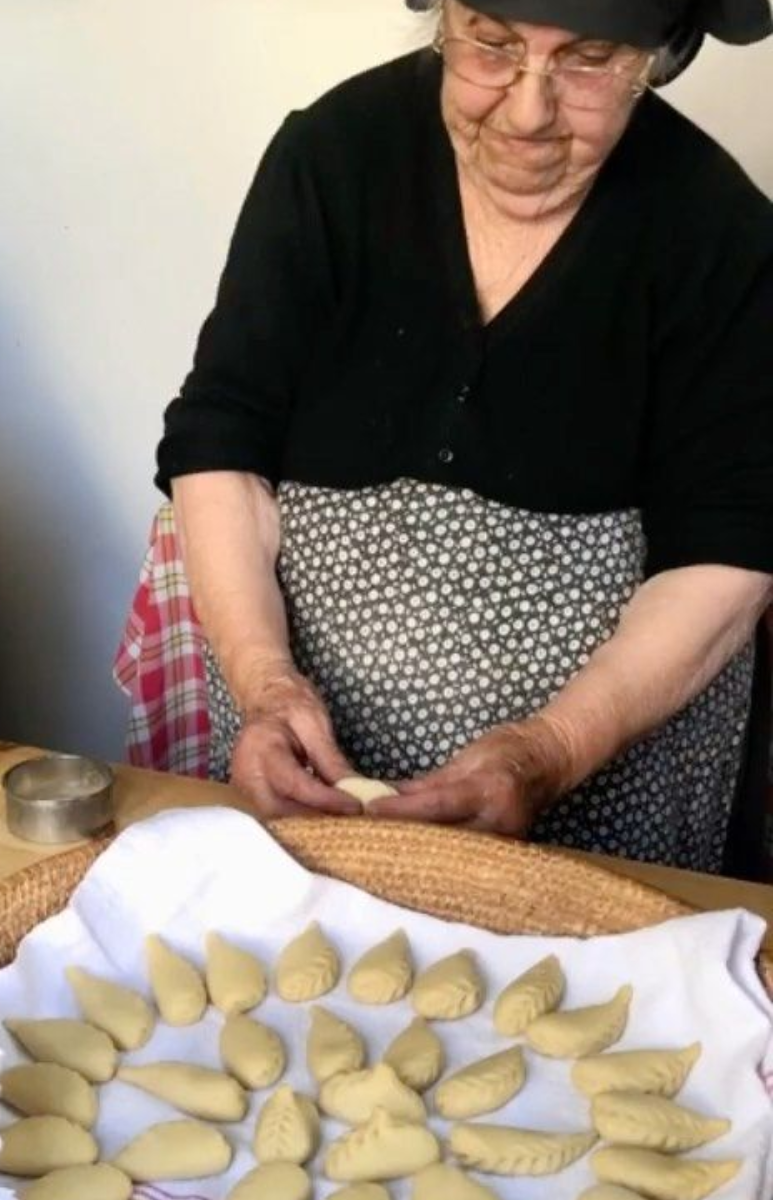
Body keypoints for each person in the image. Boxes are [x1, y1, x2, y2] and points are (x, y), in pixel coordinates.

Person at [152, 0, 773, 874]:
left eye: (589, 60)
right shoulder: (335, 154)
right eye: (492, 45)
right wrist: (265, 684)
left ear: (655, 58)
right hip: (300, 755)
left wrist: (548, 750)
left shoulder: (717, 230)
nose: (528, 109)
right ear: (442, 18)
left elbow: (729, 548)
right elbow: (224, 438)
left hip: (595, 783)